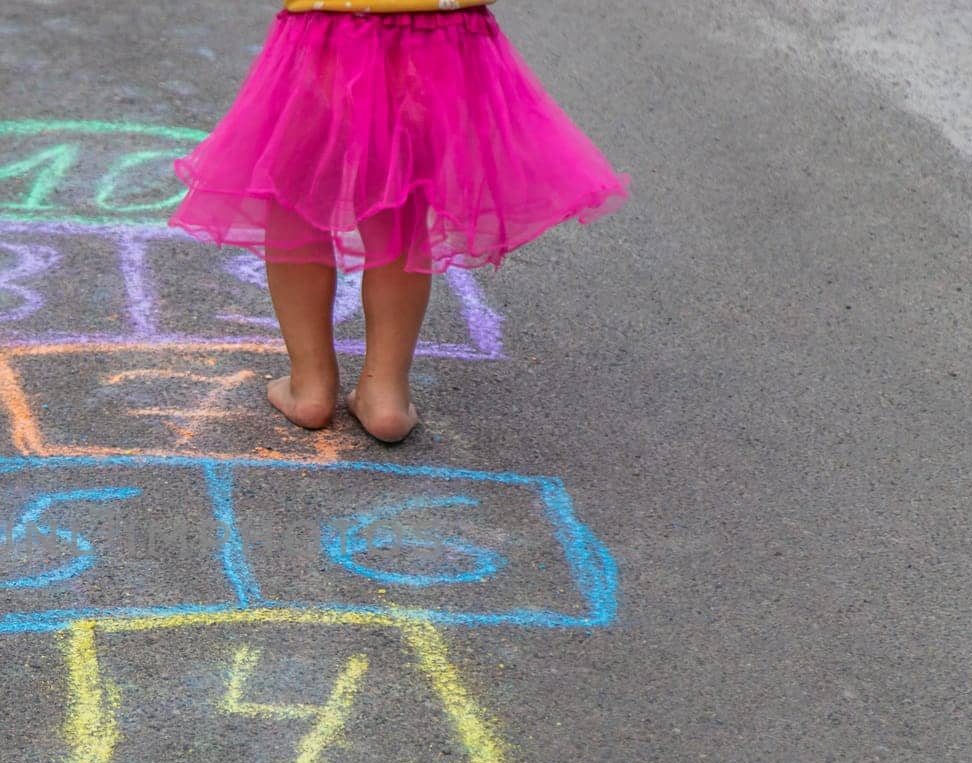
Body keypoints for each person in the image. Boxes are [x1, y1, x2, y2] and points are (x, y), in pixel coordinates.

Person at [169, 0, 629, 442]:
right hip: (442, 32)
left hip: (331, 22)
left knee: (296, 187)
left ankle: (310, 385)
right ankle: (384, 392)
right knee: (400, 193)